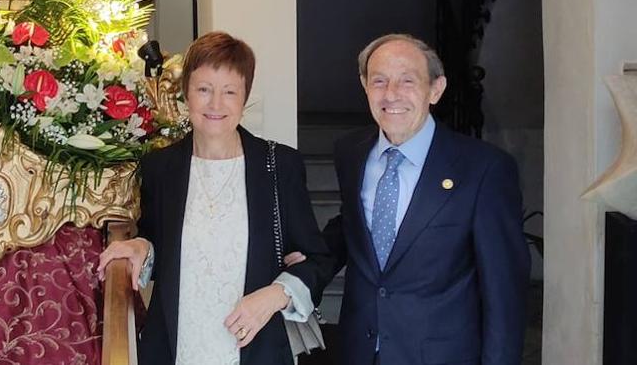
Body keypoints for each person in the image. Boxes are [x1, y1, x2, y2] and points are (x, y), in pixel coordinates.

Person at [98, 31, 334, 365]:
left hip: (256, 350)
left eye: (229, 92)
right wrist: (141, 247)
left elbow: (317, 260)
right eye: (204, 90)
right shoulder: (161, 167)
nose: (215, 105)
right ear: (186, 94)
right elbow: (159, 247)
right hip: (177, 349)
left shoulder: (278, 165)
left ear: (244, 97)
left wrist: (273, 296)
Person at [323, 33, 529, 365]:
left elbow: (504, 295)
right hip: (360, 351)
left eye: (407, 80)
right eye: (379, 80)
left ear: (436, 89)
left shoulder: (484, 169)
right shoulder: (350, 153)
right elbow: (354, 227)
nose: (391, 94)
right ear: (365, 86)